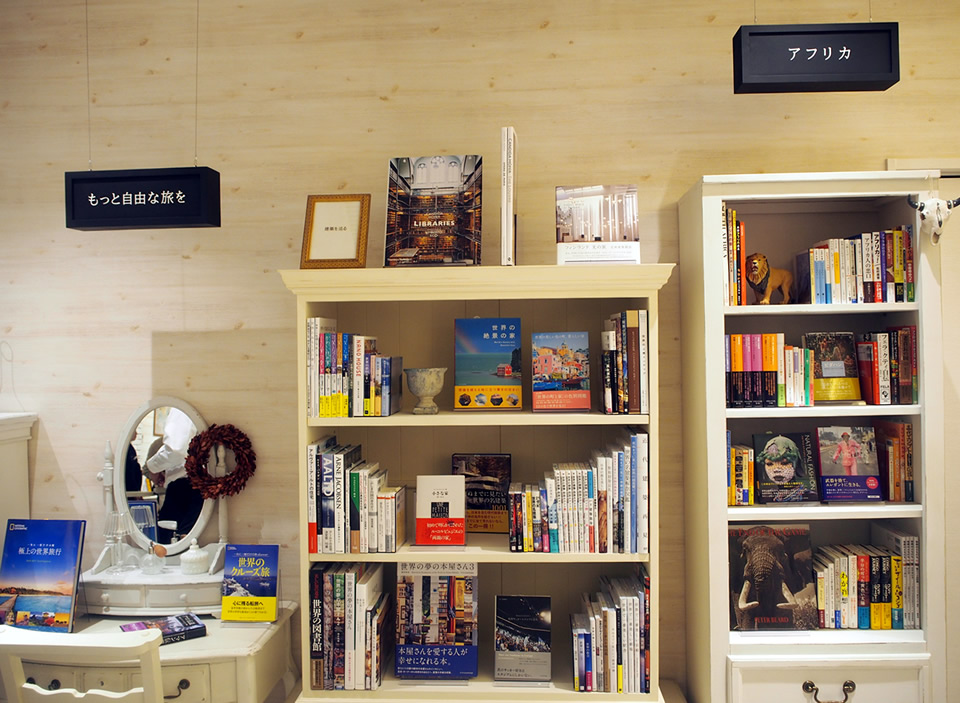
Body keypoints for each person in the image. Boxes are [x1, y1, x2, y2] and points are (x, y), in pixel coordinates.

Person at [144, 407, 204, 543]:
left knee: (172, 547)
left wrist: (153, 467)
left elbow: (176, 451)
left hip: (185, 488)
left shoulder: (182, 409)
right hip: (194, 487)